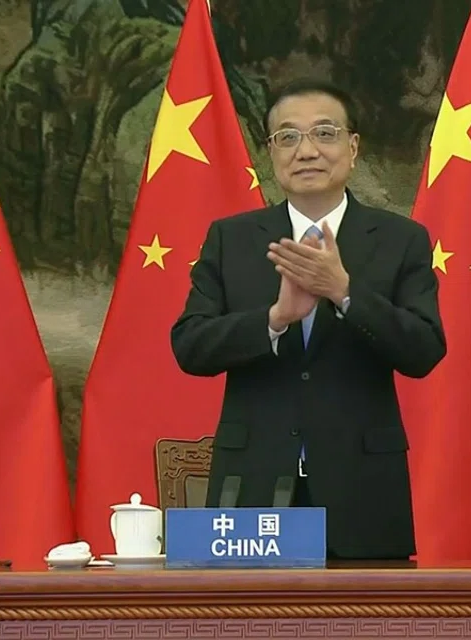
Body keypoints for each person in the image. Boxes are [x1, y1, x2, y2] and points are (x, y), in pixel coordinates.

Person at [171, 79, 446, 560]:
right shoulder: (231, 239)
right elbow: (190, 346)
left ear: (353, 147)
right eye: (288, 136)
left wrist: (344, 292)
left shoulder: (401, 239)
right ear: (272, 152)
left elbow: (423, 350)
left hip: (362, 490)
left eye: (324, 133)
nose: (307, 150)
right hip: (251, 488)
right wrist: (275, 319)